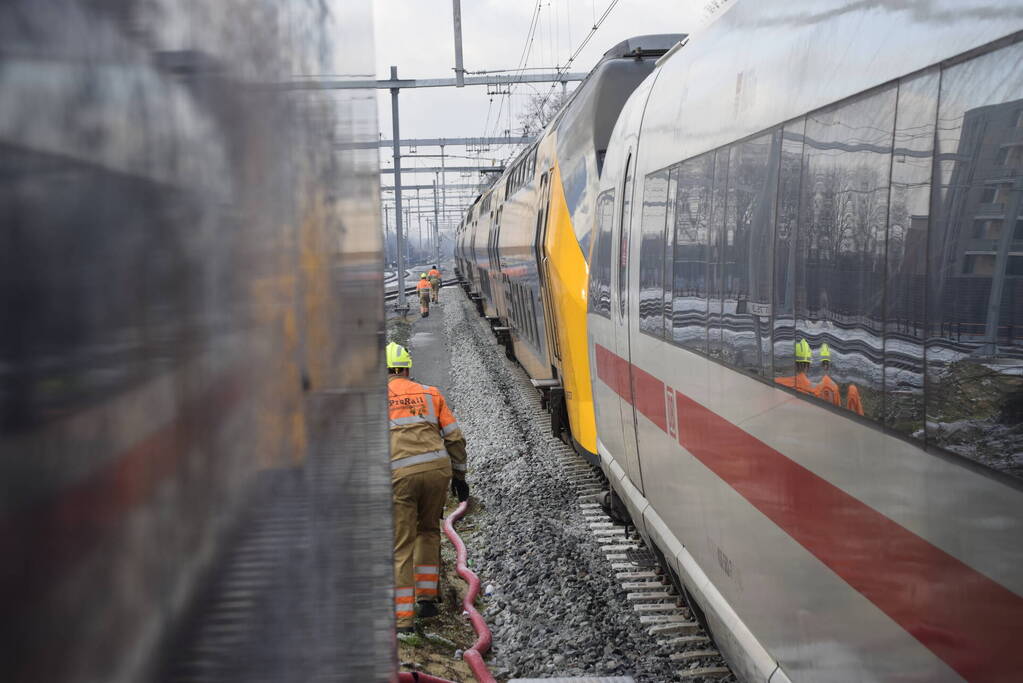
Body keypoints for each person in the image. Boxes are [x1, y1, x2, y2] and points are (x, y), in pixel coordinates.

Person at [386, 342, 469, 635]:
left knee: (402, 544)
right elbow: (455, 437)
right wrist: (460, 476)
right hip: (436, 472)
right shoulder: (430, 393)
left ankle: (404, 621)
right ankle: (427, 599)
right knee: (429, 531)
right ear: (407, 368)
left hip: (399, 477)